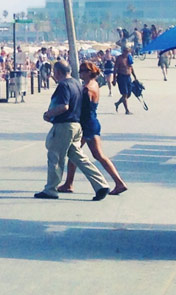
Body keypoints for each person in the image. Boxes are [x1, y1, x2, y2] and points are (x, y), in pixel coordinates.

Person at [35, 61, 110, 200]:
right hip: (76, 125)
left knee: (55, 157)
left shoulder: (64, 85)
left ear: (57, 72)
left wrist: (49, 114)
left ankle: (50, 189)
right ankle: (101, 184)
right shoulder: (76, 83)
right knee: (79, 157)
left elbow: (64, 106)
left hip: (64, 125)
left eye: (54, 72)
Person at [59, 62, 128, 195]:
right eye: (80, 71)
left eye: (83, 71)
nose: (80, 73)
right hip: (92, 122)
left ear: (90, 72)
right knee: (84, 154)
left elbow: (79, 105)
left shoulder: (87, 89)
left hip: (87, 124)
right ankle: (69, 183)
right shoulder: (94, 84)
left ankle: (69, 184)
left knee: (78, 153)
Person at [112, 46, 137, 115]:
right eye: (125, 51)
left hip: (128, 77)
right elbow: (115, 69)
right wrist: (114, 79)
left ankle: (117, 103)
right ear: (123, 51)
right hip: (121, 77)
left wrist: (135, 77)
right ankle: (127, 110)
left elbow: (131, 67)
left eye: (128, 51)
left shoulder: (129, 58)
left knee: (128, 94)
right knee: (125, 94)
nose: (127, 53)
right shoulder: (119, 58)